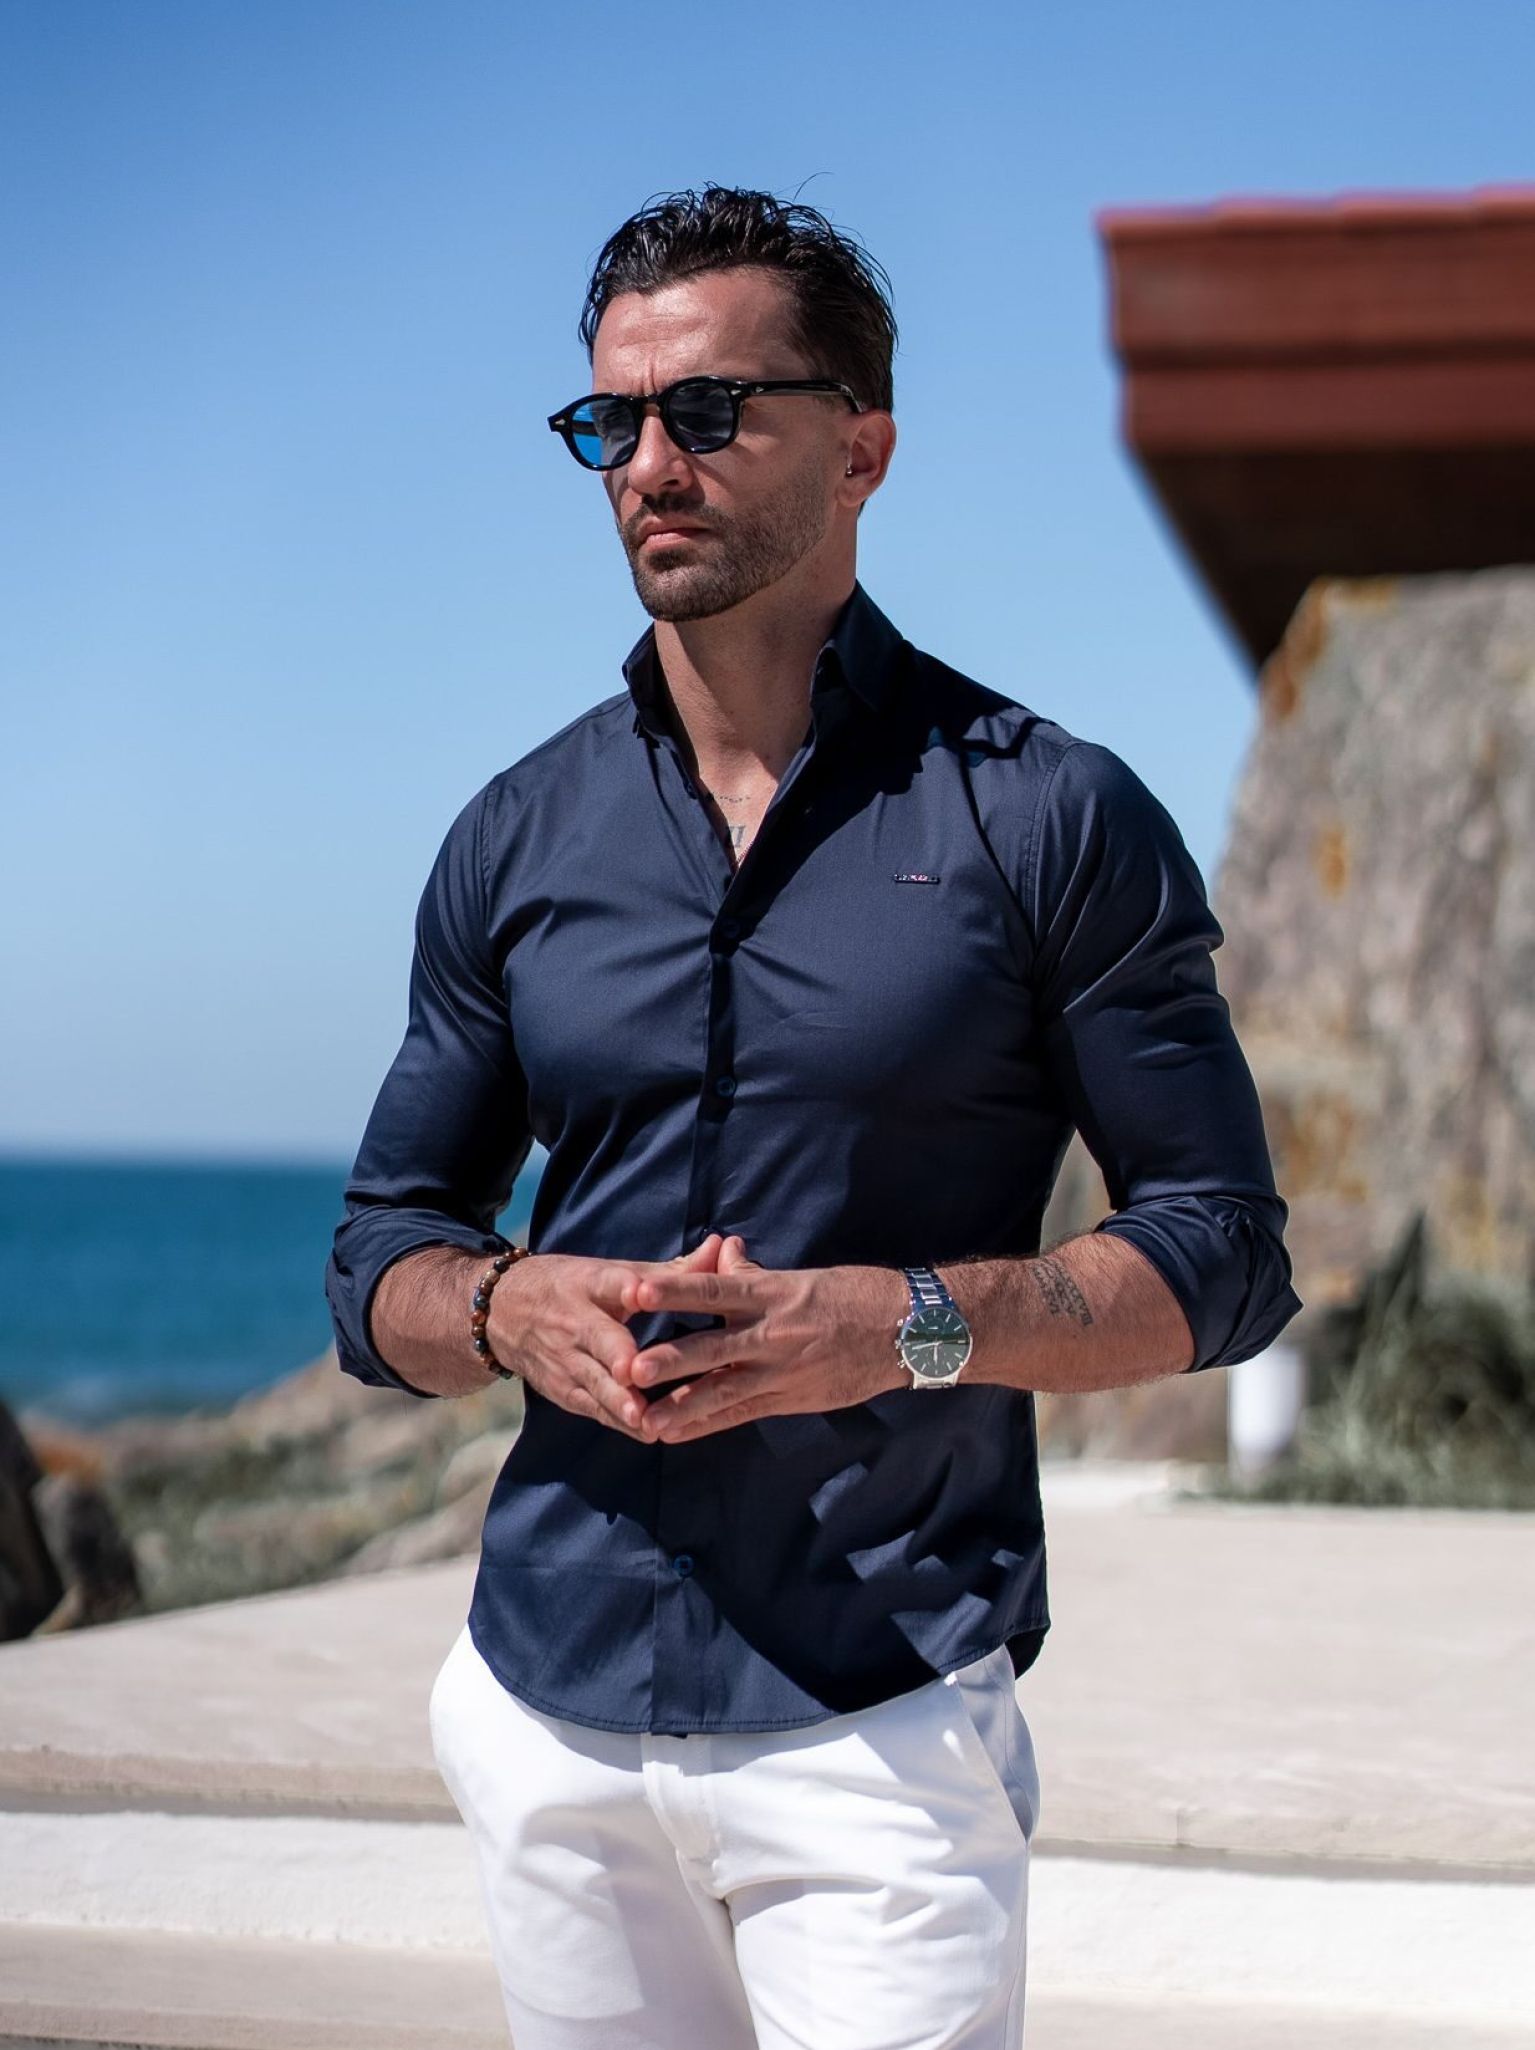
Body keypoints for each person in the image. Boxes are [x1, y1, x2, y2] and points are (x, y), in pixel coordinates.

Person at [324, 184, 1301, 2050]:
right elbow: (379, 1259)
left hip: (878, 1731)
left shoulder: (1050, 815)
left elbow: (1223, 1254)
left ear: (862, 448)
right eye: (612, 421)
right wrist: (512, 1306)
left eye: (708, 411)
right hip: (545, 1717)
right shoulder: (513, 837)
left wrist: (890, 1326)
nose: (649, 464)